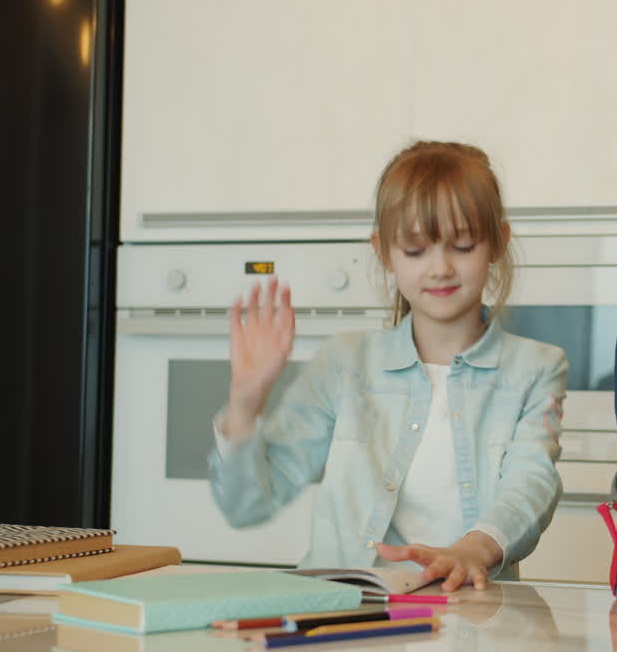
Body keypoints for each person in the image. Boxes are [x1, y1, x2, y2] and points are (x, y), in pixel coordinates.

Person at [211, 141, 568, 591]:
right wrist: (245, 404)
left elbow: (531, 482)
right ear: (384, 251)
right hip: (348, 623)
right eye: (416, 250)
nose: (439, 268)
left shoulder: (535, 368)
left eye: (461, 245)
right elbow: (247, 506)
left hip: (470, 617)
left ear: (497, 242)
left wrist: (474, 550)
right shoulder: (345, 363)